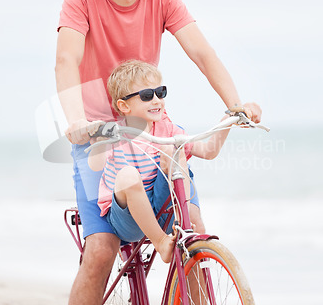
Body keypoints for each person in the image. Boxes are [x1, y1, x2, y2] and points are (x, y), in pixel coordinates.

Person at [55, 0, 261, 305]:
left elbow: (202, 53)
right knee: (101, 251)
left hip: (150, 129)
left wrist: (235, 107)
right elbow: (66, 60)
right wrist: (75, 123)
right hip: (99, 137)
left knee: (195, 233)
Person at [88, 60, 232, 265]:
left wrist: (228, 119)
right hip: (129, 219)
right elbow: (95, 165)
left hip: (163, 209)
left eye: (160, 92)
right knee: (128, 175)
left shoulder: (168, 129)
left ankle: (189, 222)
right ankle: (161, 242)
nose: (156, 100)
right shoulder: (115, 134)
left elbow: (209, 151)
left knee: (172, 148)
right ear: (124, 105)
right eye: (147, 96)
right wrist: (98, 138)